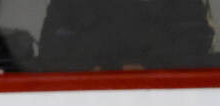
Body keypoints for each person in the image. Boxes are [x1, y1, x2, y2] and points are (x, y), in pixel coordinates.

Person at [38, 0, 214, 72]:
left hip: (166, 100)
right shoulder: (69, 4)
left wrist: (149, 66)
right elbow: (51, 51)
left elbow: (194, 45)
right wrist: (96, 66)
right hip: (87, 100)